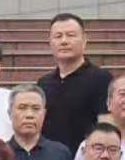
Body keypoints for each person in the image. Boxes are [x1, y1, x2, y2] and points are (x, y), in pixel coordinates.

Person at [37, 13, 113, 150]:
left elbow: (107, 127)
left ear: (84, 40)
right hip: (51, 159)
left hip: (85, 158)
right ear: (50, 42)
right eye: (58, 36)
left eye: (70, 35)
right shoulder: (43, 83)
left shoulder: (101, 79)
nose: (64, 41)